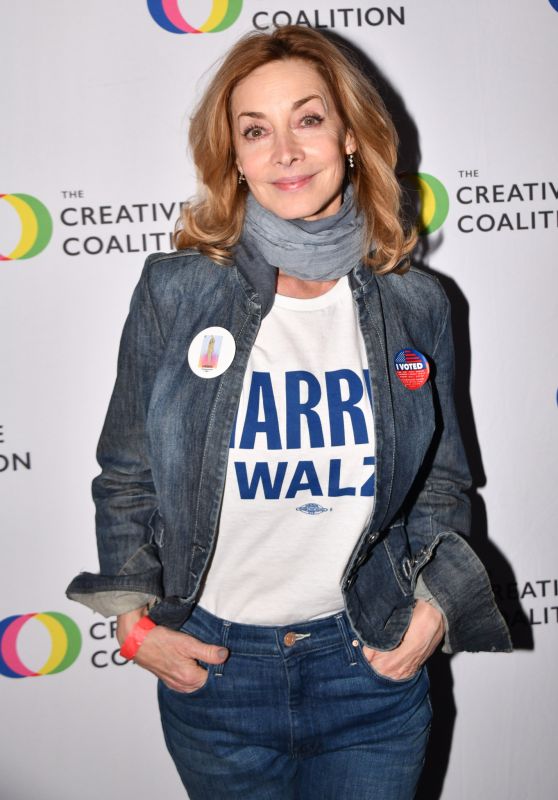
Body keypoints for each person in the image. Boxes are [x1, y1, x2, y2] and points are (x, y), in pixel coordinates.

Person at [67, 25, 511, 800]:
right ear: (233, 158)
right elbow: (127, 470)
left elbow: (443, 482)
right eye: (255, 131)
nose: (285, 151)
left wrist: (434, 611)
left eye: (308, 119)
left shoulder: (417, 302)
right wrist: (134, 619)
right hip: (218, 675)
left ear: (349, 135)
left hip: (368, 669)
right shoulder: (175, 292)